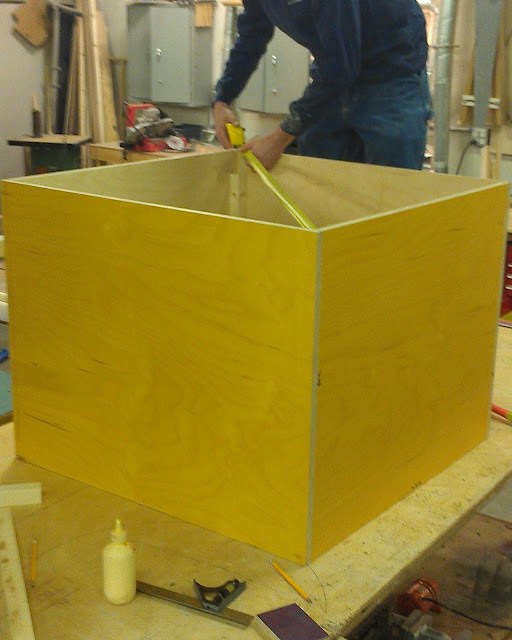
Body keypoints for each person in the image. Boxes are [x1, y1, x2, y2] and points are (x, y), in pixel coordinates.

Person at [213, 0, 431, 171]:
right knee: (319, 186)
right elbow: (252, 36)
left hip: (391, 76)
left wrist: (279, 138)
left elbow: (342, 67)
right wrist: (222, 99)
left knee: (394, 192)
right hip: (336, 71)